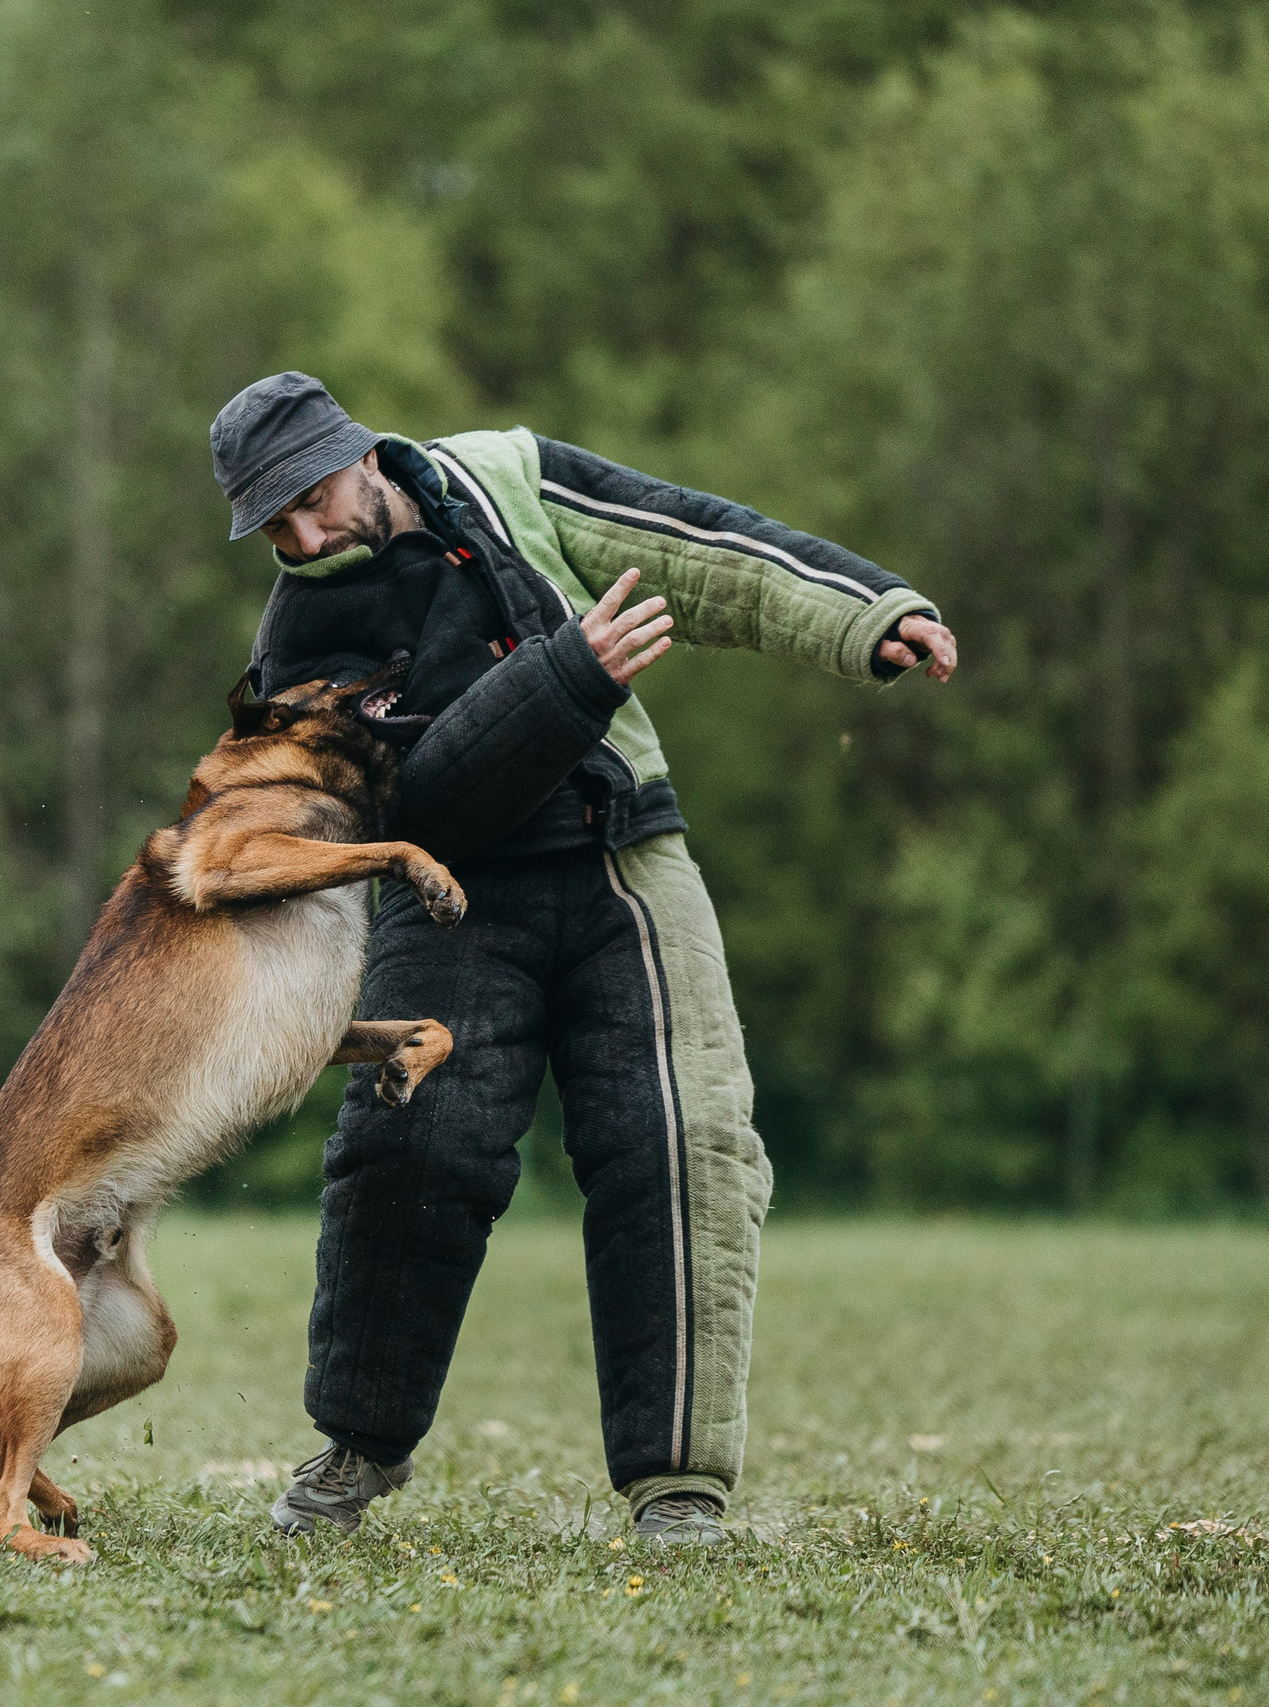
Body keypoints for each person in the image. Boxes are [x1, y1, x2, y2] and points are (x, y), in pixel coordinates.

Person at [209, 372, 957, 1545]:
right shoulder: (299, 643)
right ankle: (358, 1448)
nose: (304, 537)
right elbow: (423, 801)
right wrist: (569, 676)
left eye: (310, 498)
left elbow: (699, 543)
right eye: (275, 526)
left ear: (357, 453)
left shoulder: (502, 476)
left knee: (684, 1145)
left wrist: (868, 611)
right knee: (410, 1147)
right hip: (441, 891)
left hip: (621, 861)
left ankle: (679, 1488)